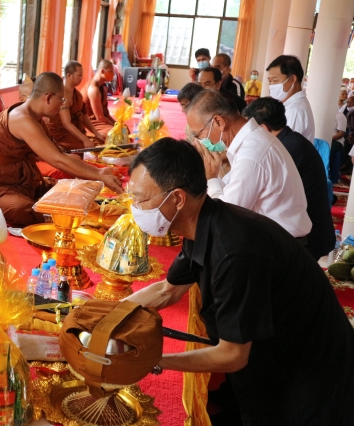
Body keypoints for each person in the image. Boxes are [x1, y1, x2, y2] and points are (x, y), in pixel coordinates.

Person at [124, 138, 354, 425]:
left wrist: (154, 360)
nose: (135, 208)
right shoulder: (203, 221)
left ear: (178, 199)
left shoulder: (235, 250)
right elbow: (167, 290)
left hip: (310, 374)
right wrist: (108, 314)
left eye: (140, 200)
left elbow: (232, 355)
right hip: (272, 356)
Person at [0, 72, 123, 226]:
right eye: (61, 99)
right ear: (48, 97)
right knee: (23, 210)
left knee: (72, 191)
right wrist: (99, 176)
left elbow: (60, 154)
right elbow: (58, 160)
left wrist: (99, 172)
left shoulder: (37, 119)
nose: (62, 105)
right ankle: (58, 219)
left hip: (22, 180)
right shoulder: (22, 119)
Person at [187, 89, 311, 239]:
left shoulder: (251, 153)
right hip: (273, 236)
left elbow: (226, 216)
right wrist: (211, 174)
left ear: (219, 122)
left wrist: (211, 178)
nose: (200, 141)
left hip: (279, 243)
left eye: (199, 134)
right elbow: (228, 191)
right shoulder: (252, 140)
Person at [242, 97, 335, 260]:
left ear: (263, 128)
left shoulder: (287, 147)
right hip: (306, 230)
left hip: (308, 237)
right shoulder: (290, 140)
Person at [47, 61, 106, 151]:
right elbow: (66, 124)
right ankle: (59, 147)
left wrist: (96, 133)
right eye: (79, 75)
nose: (82, 78)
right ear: (69, 75)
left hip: (74, 131)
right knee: (87, 146)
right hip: (60, 133)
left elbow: (83, 115)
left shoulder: (77, 94)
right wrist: (84, 139)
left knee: (100, 141)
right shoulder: (62, 95)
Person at [266, 55, 315, 142]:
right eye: (270, 81)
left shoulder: (295, 110)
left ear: (292, 80)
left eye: (275, 80)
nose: (271, 86)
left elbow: (286, 145)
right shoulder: (289, 104)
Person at [82, 59, 116, 133]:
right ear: (103, 71)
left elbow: (106, 114)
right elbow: (100, 118)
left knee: (124, 129)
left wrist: (117, 125)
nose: (113, 75)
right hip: (89, 122)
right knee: (113, 133)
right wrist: (115, 128)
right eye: (111, 72)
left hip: (99, 121)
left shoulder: (102, 88)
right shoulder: (93, 89)